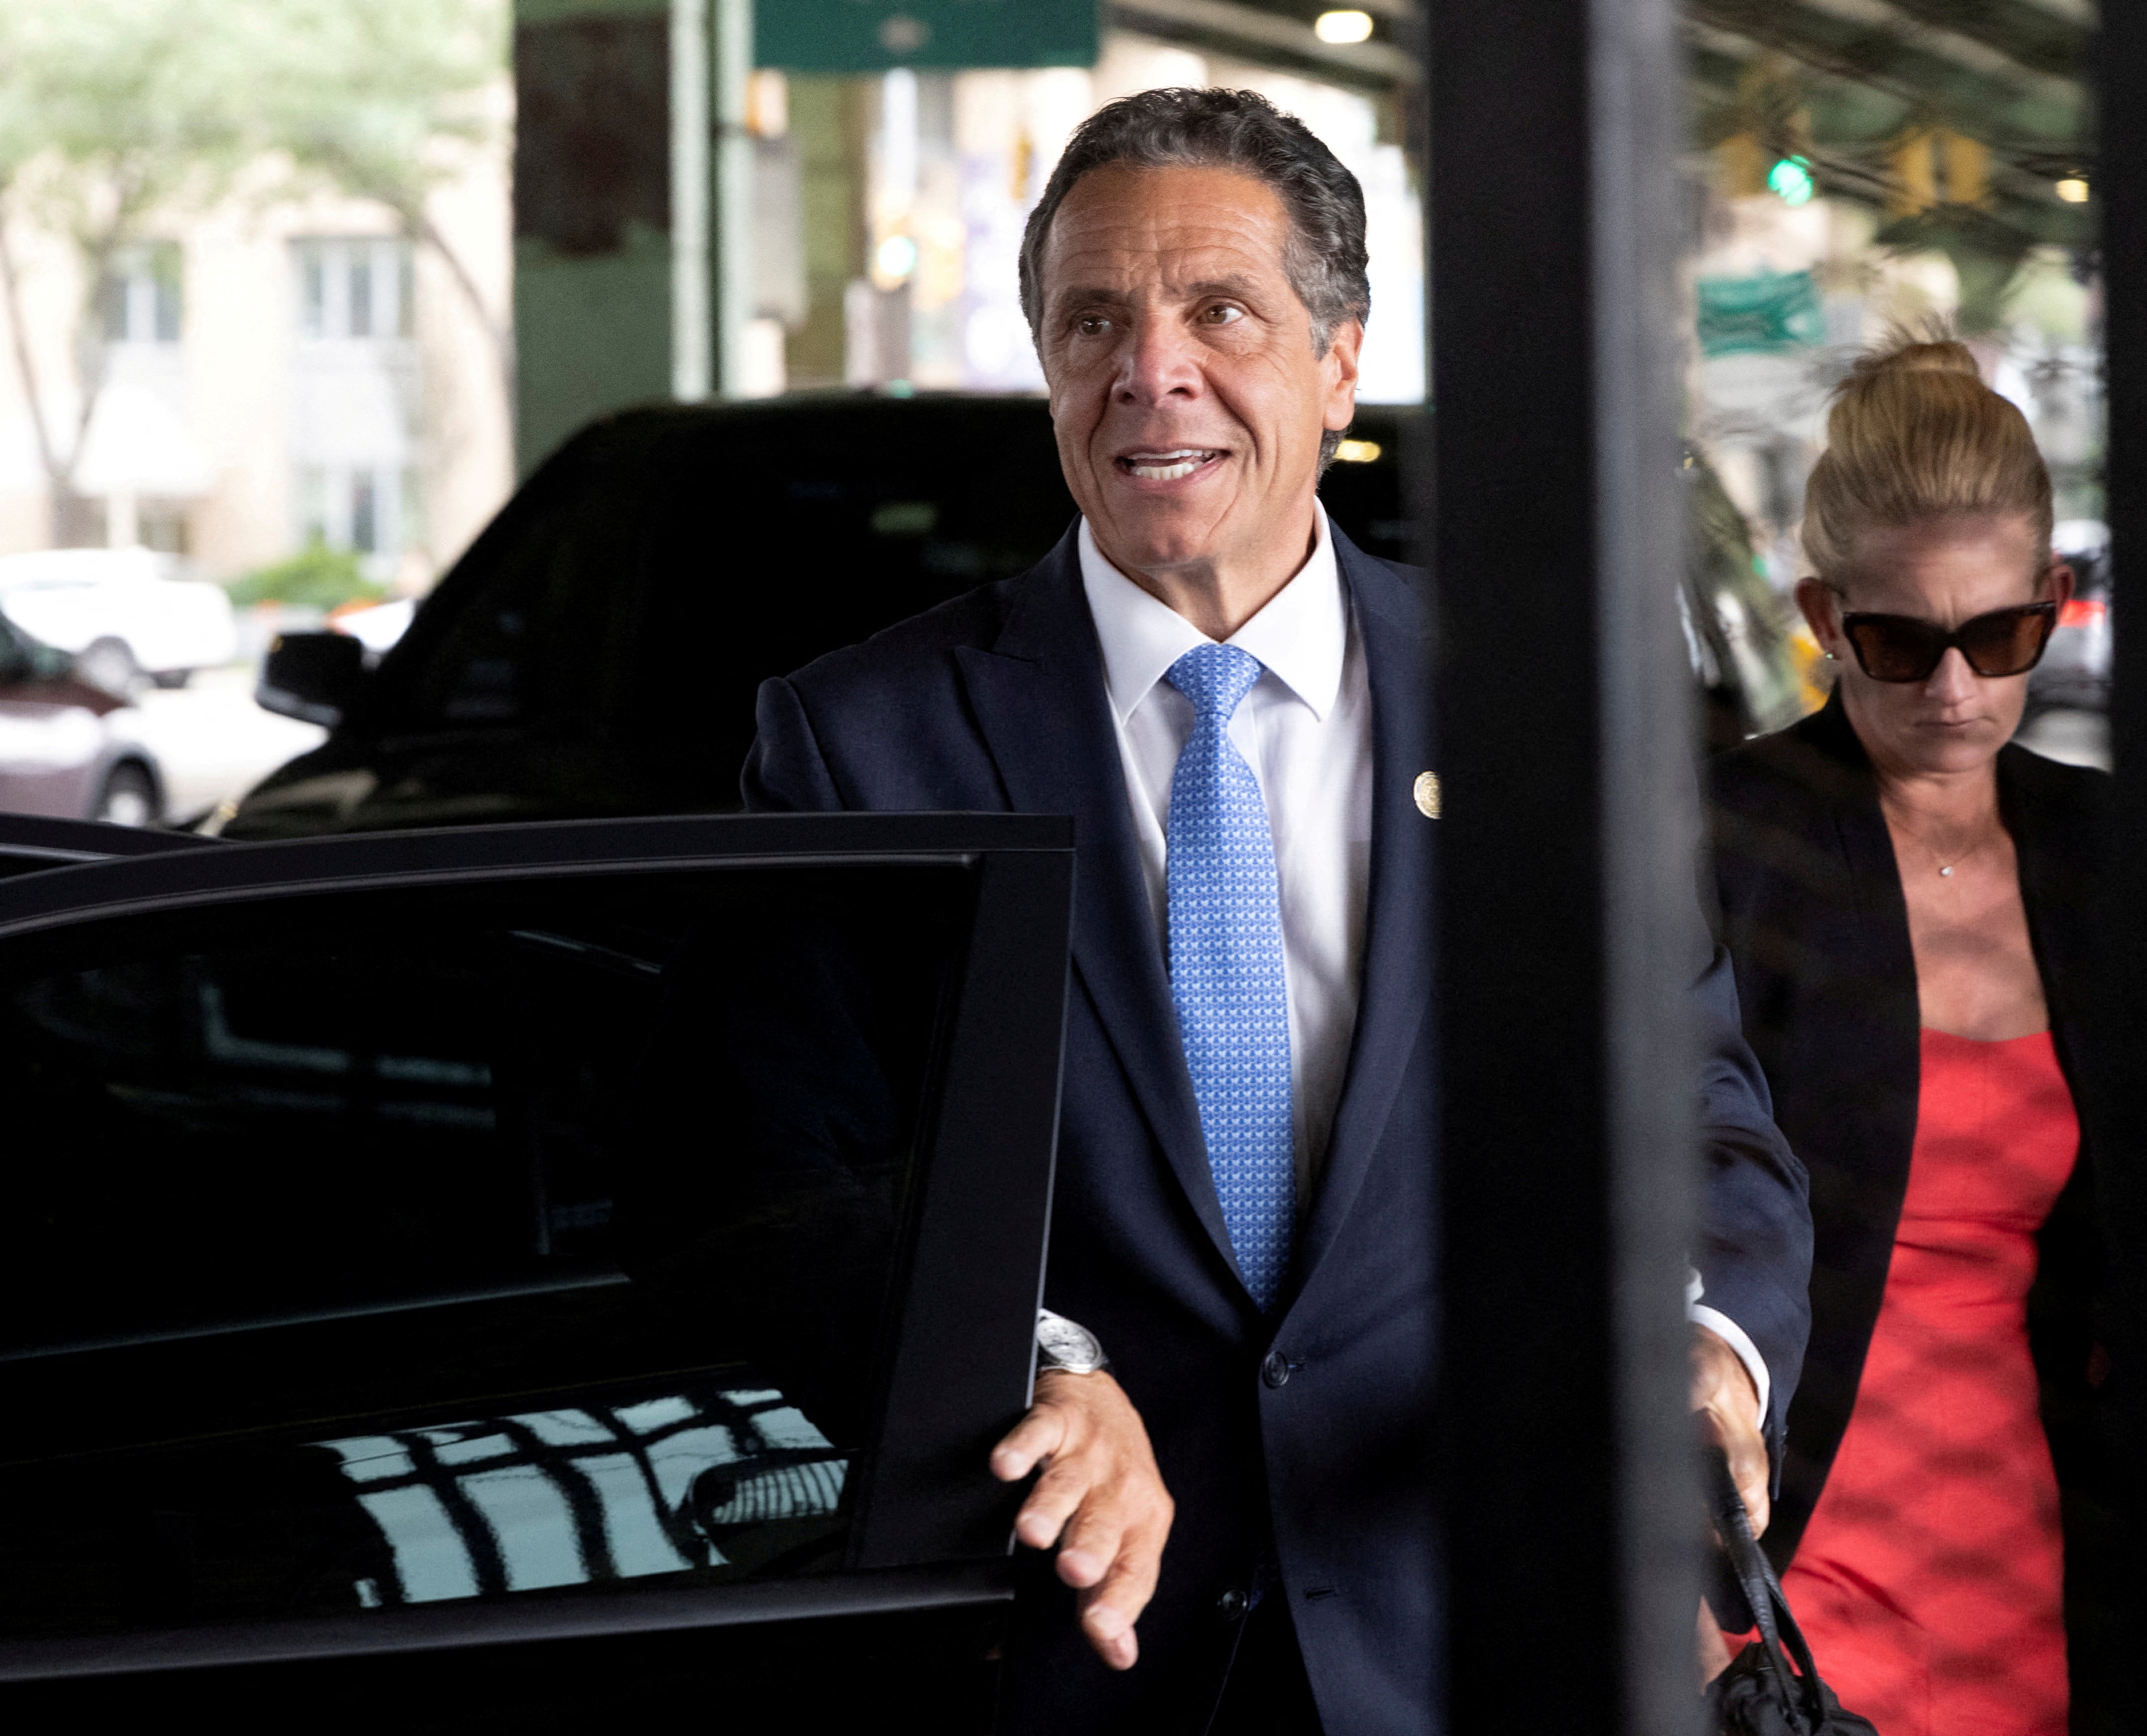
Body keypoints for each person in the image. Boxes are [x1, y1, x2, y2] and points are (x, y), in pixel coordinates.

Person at [742, 87, 1814, 1736]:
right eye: (1092, 319)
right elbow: (764, 1183)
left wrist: (1709, 1352)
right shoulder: (862, 742)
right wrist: (1024, 1361)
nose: (1148, 369)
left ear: (1337, 362)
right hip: (1076, 1657)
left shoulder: (1538, 708)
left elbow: (1693, 1112)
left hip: (1473, 1633)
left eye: (1219, 312)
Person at [1701, 337, 2147, 1733]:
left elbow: (2146, 1228)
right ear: (1822, 614)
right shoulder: (1729, 843)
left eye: (2001, 637)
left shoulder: (2096, 856)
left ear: (2054, 603)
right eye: (1902, 642)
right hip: (1773, 1542)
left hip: (2014, 1532)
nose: (1957, 690)